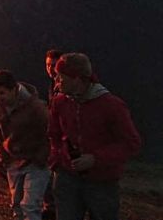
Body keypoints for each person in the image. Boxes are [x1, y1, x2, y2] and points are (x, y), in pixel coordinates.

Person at [49, 53, 142, 220]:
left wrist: (95, 159)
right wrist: (57, 162)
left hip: (101, 182)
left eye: (61, 77)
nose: (57, 81)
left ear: (76, 78)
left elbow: (131, 143)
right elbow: (54, 134)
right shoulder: (60, 102)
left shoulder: (111, 105)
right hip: (67, 179)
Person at [0, 69, 51, 220]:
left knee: (30, 206)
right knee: (17, 205)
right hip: (13, 161)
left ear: (14, 90)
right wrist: (4, 158)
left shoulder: (35, 108)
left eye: (1, 93)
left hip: (35, 163)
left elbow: (50, 134)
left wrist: (41, 159)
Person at [43, 48, 64, 220]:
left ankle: (55, 208)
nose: (50, 68)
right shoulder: (52, 84)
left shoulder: (64, 84)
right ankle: (51, 208)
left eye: (53, 64)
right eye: (48, 65)